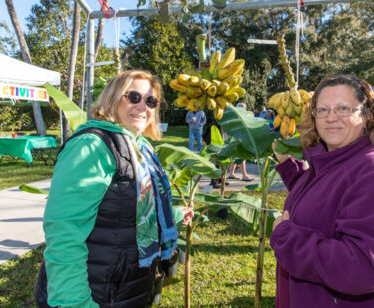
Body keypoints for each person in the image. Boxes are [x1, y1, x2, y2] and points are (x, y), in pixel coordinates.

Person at [35, 70, 194, 308]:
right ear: (112, 98)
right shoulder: (92, 146)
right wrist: (76, 302)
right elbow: (65, 233)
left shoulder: (139, 149)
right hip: (93, 293)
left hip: (126, 289)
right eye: (133, 97)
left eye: (151, 101)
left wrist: (176, 214)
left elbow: (136, 209)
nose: (143, 106)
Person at [270, 75, 374, 307]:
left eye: (343, 108)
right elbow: (324, 197)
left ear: (367, 114)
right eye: (322, 110)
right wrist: (289, 167)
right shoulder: (334, 160)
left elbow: (362, 269)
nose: (331, 118)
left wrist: (288, 238)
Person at [228, 103, 253, 182]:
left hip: (237, 138)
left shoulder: (233, 116)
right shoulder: (238, 117)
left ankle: (231, 173)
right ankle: (244, 175)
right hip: (239, 139)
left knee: (237, 157)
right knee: (242, 157)